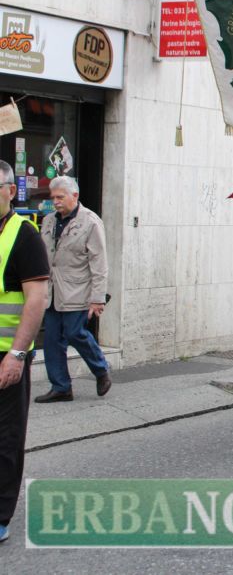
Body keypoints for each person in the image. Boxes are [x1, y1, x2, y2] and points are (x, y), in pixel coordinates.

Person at [0, 160, 49, 544]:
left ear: (10, 191)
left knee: (6, 437)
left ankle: (0, 514)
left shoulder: (24, 235)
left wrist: (17, 354)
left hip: (6, 354)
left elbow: (36, 299)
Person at [35, 176, 110, 403]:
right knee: (52, 340)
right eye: (53, 198)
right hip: (52, 290)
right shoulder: (49, 221)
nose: (55, 202)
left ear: (74, 196)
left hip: (78, 290)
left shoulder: (90, 222)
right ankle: (61, 387)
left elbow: (99, 262)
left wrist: (97, 298)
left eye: (60, 197)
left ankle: (101, 369)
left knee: (74, 333)